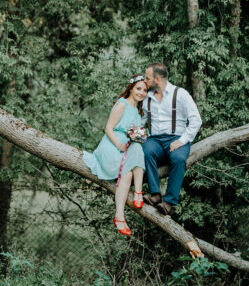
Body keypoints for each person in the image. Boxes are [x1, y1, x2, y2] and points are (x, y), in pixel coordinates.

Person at [83, 75, 147, 236]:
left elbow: (136, 135)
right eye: (138, 88)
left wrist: (139, 136)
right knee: (127, 174)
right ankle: (120, 216)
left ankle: (136, 195)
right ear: (131, 88)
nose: (141, 92)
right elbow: (108, 128)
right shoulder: (122, 105)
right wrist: (118, 144)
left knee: (138, 148)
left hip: (127, 147)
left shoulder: (139, 112)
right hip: (111, 146)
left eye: (145, 90)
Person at [142, 63, 202, 216]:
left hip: (177, 138)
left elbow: (196, 120)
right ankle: (155, 195)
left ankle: (169, 203)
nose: (145, 81)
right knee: (146, 150)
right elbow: (140, 120)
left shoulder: (180, 94)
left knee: (179, 158)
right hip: (154, 140)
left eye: (147, 78)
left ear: (157, 79)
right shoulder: (146, 97)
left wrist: (182, 140)